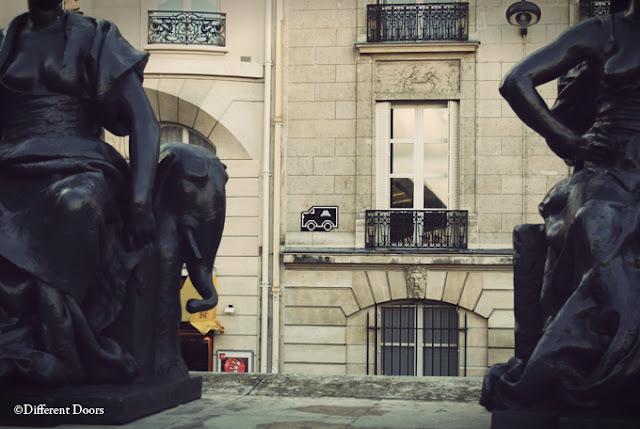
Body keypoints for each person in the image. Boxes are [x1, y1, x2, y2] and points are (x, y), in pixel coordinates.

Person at [481, 0, 640, 412]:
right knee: (598, 221)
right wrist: (571, 140)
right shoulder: (603, 31)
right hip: (609, 166)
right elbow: (516, 81)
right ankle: (613, 357)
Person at [0, 0, 159, 385]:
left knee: (76, 202)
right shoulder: (6, 43)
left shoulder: (96, 36)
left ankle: (63, 349)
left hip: (82, 162)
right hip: (14, 164)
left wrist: (140, 200)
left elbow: (144, 121)